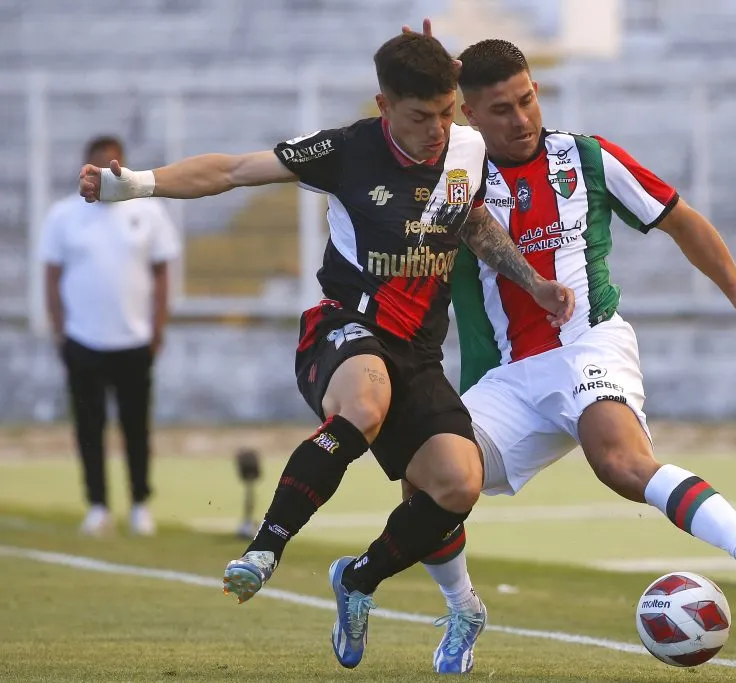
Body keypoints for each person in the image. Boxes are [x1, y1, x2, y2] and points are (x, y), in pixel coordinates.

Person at [78, 33, 574, 670]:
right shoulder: (346, 150)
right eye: (421, 117)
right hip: (347, 327)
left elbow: (471, 221)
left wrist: (532, 281)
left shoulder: (467, 148)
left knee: (458, 482)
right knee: (365, 404)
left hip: (420, 353)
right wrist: (135, 184)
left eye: (447, 113)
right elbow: (233, 171)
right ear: (383, 106)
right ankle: (266, 547)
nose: (437, 130)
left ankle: (357, 581)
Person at [396, 26, 736, 675]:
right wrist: (424, 81)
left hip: (588, 344)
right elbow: (397, 155)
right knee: (423, 476)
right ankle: (463, 608)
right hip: (504, 375)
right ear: (468, 112)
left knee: (618, 461)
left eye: (528, 99)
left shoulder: (586, 157)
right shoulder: (455, 174)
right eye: (501, 109)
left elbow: (680, 218)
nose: (522, 118)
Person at [41, 135, 180, 538]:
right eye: (97, 164)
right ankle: (98, 506)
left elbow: (162, 274)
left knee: (136, 427)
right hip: (83, 340)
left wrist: (157, 328)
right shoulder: (63, 215)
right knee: (89, 427)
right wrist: (60, 331)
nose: (104, 171)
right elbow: (52, 277)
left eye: (112, 163)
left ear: (122, 166)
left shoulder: (148, 211)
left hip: (134, 340)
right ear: (85, 167)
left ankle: (140, 504)